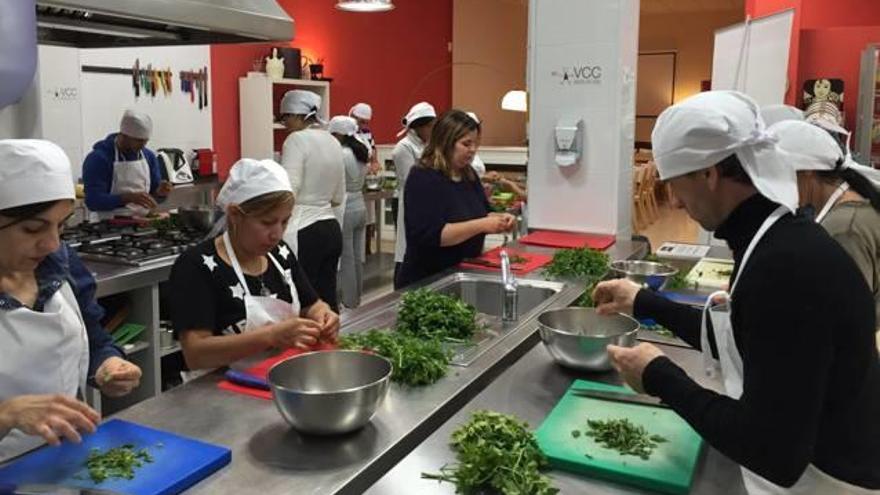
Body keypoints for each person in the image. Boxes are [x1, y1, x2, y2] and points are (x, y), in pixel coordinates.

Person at [592, 91, 880, 493]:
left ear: (709, 174)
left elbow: (773, 452)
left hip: (828, 481)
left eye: (675, 184)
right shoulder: (776, 237)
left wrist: (659, 376)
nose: (673, 201)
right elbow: (743, 333)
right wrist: (643, 301)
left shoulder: (786, 267)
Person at [0, 139, 142, 461]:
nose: (52, 243)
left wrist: (107, 363)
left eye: (61, 226)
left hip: (68, 463)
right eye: (33, 229)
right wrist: (7, 414)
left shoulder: (59, 264)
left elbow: (92, 336)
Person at [168, 159, 339, 371]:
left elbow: (312, 304)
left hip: (280, 380)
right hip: (220, 391)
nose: (277, 234)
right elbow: (196, 354)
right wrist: (271, 336)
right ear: (235, 215)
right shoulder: (196, 266)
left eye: (285, 222)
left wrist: (324, 315)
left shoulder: (280, 254)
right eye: (267, 222)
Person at [771, 119, 880, 334]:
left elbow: (848, 315)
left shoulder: (844, 229)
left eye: (780, 176)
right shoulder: (852, 207)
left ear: (808, 171)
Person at [397, 110, 516, 288]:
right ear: (446, 142)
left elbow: (483, 212)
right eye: (466, 144)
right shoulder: (423, 177)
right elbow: (434, 235)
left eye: (475, 144)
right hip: (427, 280)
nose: (473, 150)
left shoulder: (468, 174)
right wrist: (483, 224)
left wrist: (499, 218)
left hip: (462, 274)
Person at [278, 90, 345, 312]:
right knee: (327, 301)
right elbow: (337, 197)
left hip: (304, 231)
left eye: (286, 116)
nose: (284, 122)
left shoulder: (295, 140)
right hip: (331, 229)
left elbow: (290, 190)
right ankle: (331, 344)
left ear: (300, 115)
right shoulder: (333, 141)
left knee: (305, 304)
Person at [82, 109, 172, 219]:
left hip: (141, 222)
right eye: (138, 141)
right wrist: (127, 198)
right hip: (107, 223)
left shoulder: (148, 157)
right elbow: (93, 201)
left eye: (145, 141)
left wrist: (160, 193)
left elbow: (154, 197)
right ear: (123, 136)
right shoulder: (98, 159)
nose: (142, 146)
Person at [392, 102, 437, 287]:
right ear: (420, 126)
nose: (433, 131)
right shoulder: (403, 148)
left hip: (427, 204)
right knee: (406, 249)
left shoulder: (426, 145)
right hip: (410, 203)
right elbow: (412, 181)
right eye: (430, 126)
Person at [329, 116, 370, 309]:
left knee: (346, 258)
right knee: (357, 257)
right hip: (360, 205)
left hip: (345, 208)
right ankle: (357, 298)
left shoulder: (340, 153)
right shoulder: (361, 151)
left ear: (338, 134)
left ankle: (349, 302)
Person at [349, 103, 381, 255]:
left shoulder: (367, 133)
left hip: (365, 179)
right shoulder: (346, 133)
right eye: (360, 121)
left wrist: (375, 163)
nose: (362, 125)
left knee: (368, 217)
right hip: (351, 182)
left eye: (365, 123)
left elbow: (373, 151)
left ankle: (367, 249)